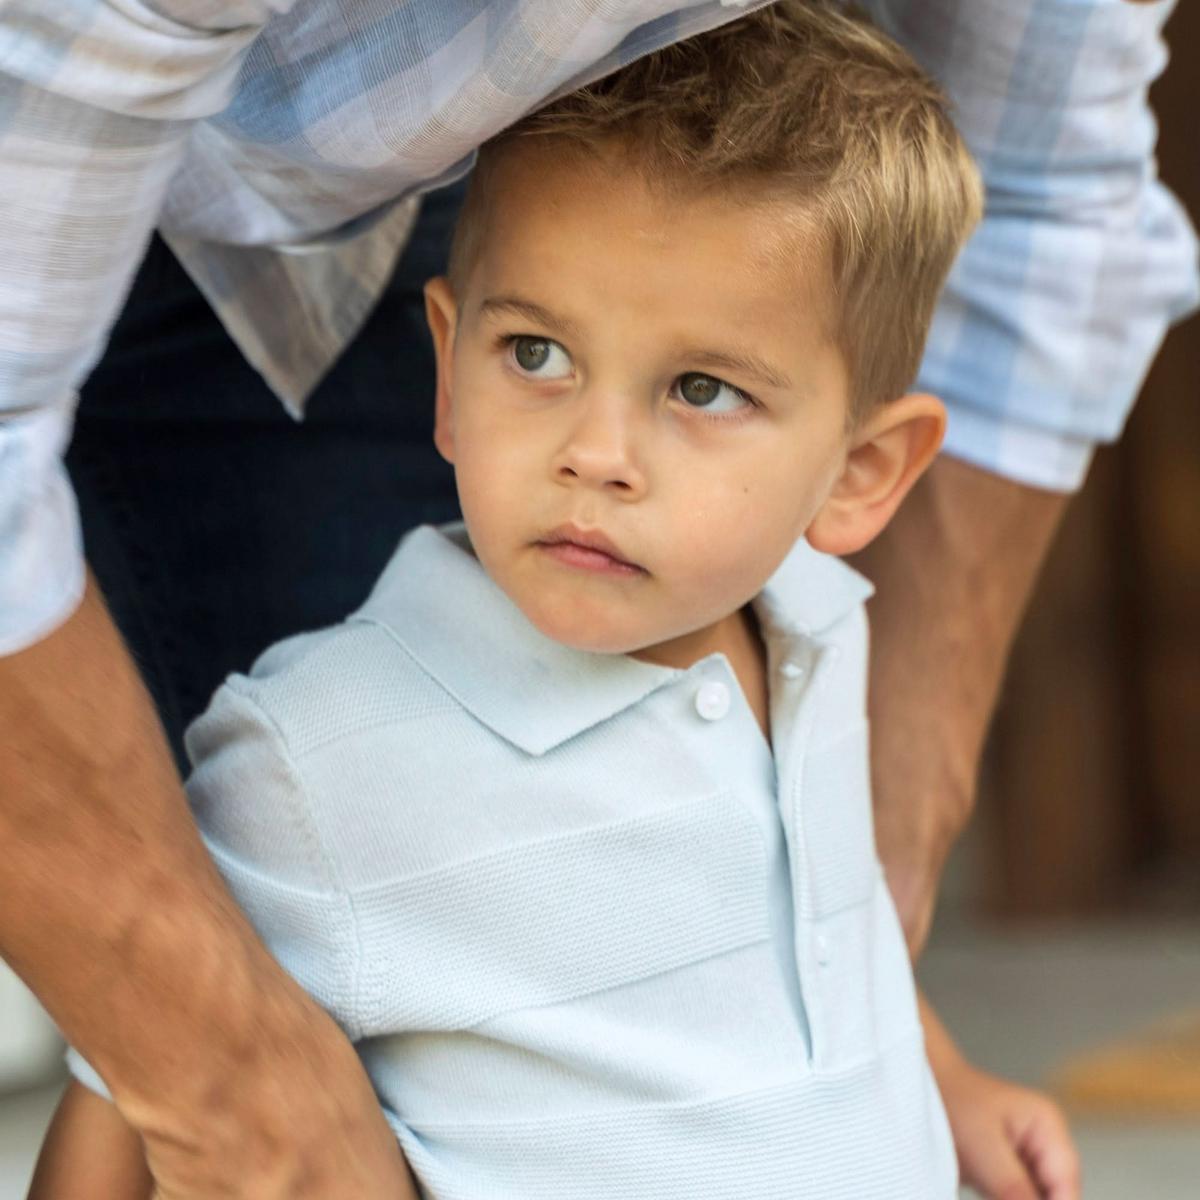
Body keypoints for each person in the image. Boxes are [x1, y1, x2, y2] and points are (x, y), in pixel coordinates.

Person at [0, 1, 1193, 1197]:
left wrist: (922, 1077)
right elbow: (141, 1089)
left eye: (701, 388)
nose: (596, 452)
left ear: (860, 474)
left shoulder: (823, 631)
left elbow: (810, 918)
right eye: (535, 357)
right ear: (449, 374)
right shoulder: (319, 760)